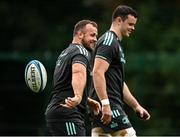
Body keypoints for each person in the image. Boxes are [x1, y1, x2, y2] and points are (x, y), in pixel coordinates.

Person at [91, 5, 151, 137]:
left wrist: (136, 106)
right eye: (130, 24)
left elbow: (119, 83)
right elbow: (97, 72)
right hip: (109, 104)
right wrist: (106, 104)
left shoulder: (115, 44)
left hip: (104, 106)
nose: (133, 28)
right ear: (119, 20)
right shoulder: (109, 42)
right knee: (129, 134)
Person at [45, 20, 101, 136]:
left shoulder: (65, 53)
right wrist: (79, 96)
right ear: (80, 34)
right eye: (92, 35)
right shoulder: (81, 51)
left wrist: (87, 100)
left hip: (58, 111)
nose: (95, 39)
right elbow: (78, 72)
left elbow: (65, 86)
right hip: (67, 112)